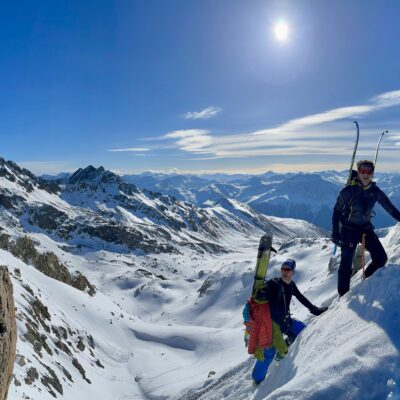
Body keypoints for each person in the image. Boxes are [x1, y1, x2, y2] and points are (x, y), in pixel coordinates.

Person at [248, 259, 327, 385]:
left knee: (304, 330)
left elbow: (301, 297)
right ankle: (257, 381)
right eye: (283, 269)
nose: (284, 272)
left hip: (285, 321)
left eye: (287, 269)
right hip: (272, 325)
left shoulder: (291, 285)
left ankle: (282, 351)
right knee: (269, 353)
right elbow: (264, 292)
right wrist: (262, 294)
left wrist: (315, 310)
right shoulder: (274, 284)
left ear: (293, 272)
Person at [332, 160, 400, 296]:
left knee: (381, 258)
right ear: (358, 172)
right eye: (363, 171)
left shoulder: (375, 192)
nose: (366, 174)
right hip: (348, 229)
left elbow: (390, 208)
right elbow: (337, 211)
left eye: (369, 171)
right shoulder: (347, 191)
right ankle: (343, 296)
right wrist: (335, 232)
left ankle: (365, 280)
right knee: (346, 264)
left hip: (365, 229)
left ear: (373, 174)